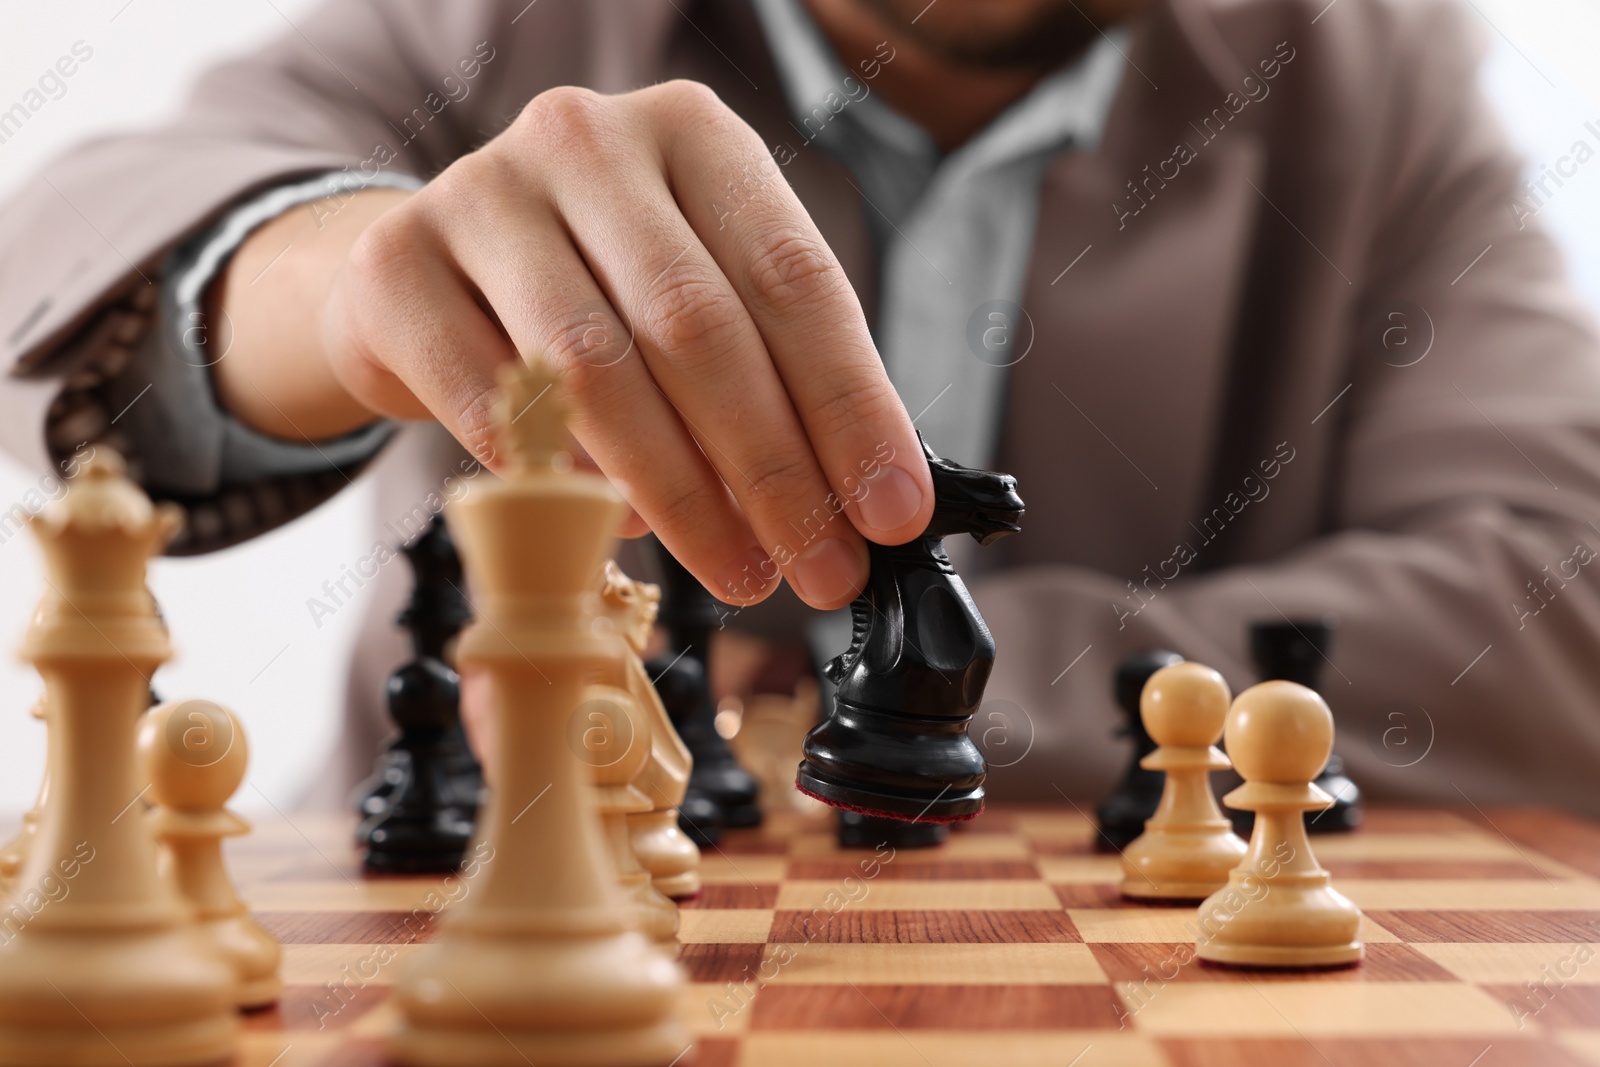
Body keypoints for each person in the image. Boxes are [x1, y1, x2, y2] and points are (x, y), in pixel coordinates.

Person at [4, 0, 1600, 816]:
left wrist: (829, 707)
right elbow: (74, 255)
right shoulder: (504, 20)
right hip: (462, 942)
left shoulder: (1366, 69)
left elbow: (1561, 602)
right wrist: (343, 281)